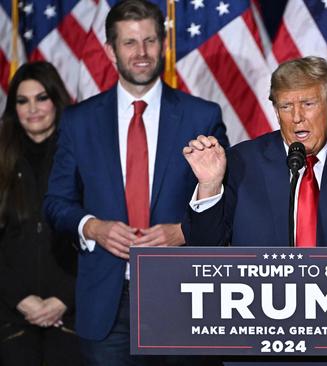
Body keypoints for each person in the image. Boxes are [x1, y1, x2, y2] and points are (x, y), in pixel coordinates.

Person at [182, 56, 327, 365]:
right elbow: (203, 249)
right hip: (260, 344)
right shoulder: (241, 162)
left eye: (308, 104)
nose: (296, 118)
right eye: (285, 106)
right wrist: (211, 186)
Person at [43, 0, 229, 364]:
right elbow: (55, 203)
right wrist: (93, 227)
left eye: (149, 41)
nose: (141, 52)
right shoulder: (79, 121)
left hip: (183, 299)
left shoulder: (201, 116)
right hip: (107, 306)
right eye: (129, 42)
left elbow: (228, 202)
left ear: (163, 43)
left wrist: (182, 232)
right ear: (111, 50)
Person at [0, 62, 81, 365]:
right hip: (11, 317)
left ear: (56, 101)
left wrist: (63, 298)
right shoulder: (2, 158)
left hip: (71, 317)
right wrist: (20, 298)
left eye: (41, 98)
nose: (32, 108)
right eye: (22, 100)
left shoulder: (81, 157)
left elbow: (97, 236)